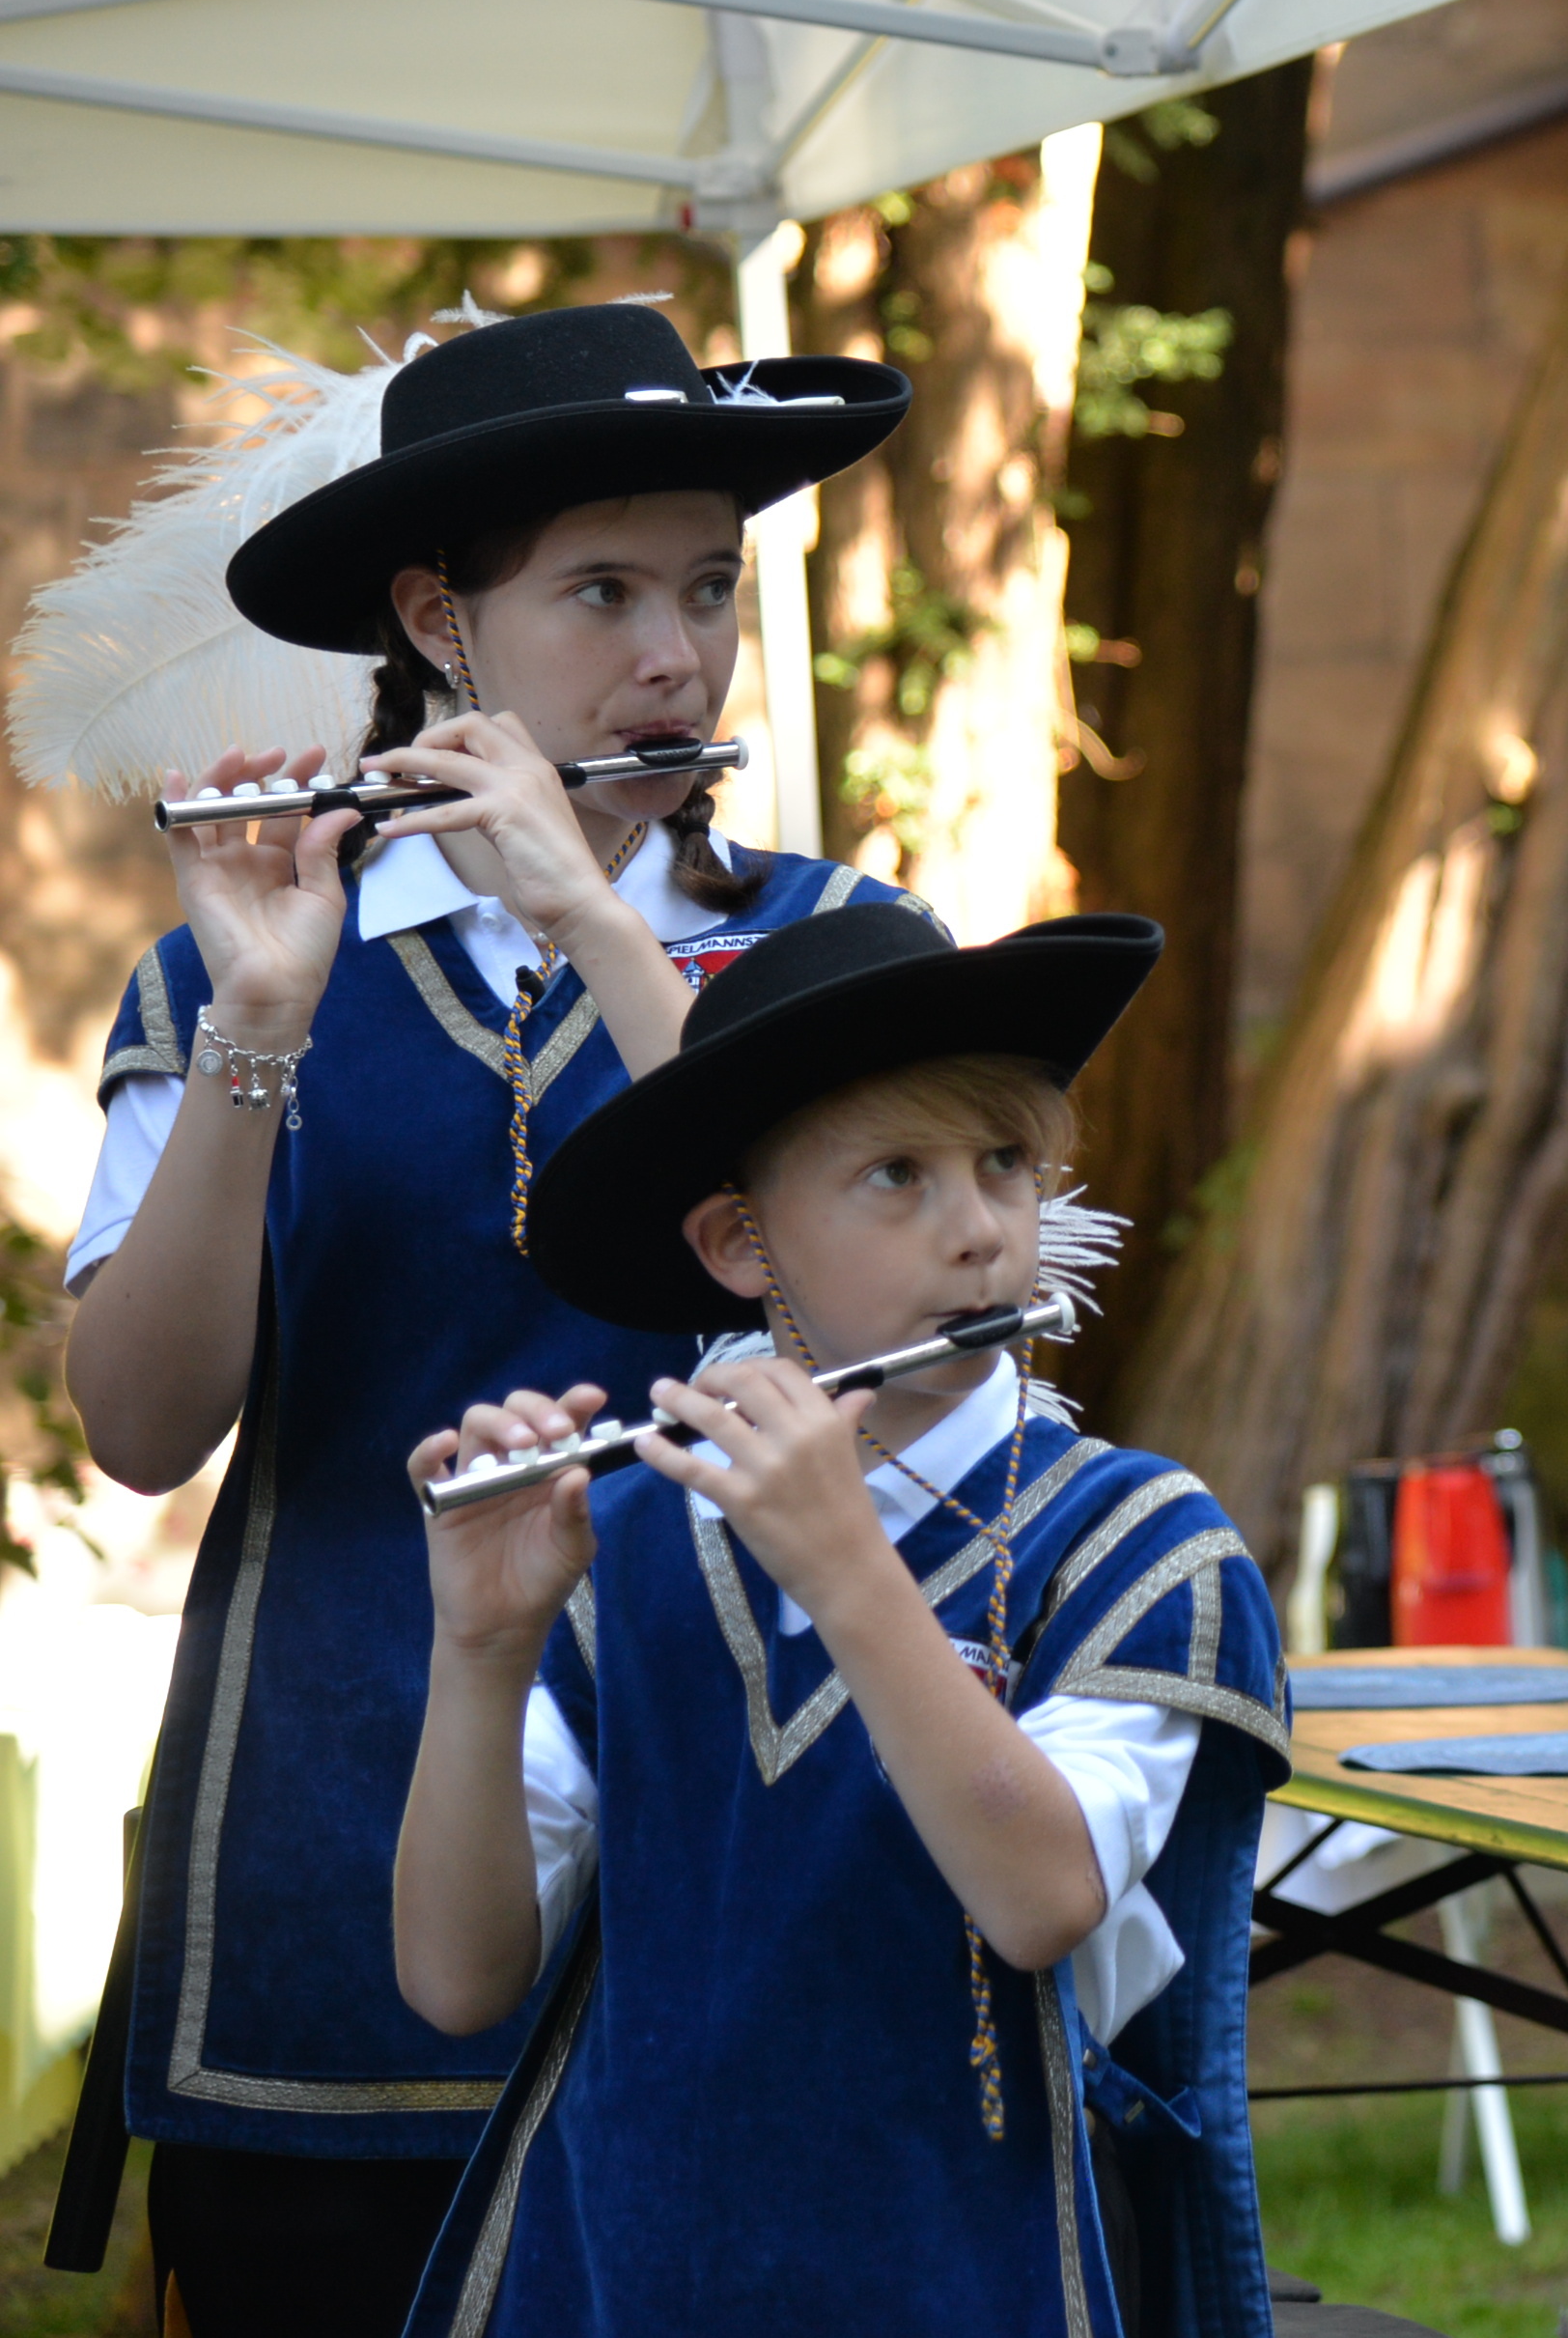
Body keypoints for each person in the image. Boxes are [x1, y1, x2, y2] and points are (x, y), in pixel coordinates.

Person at [30, 302, 910, 2333]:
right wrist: (263, 1019)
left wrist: (605, 922)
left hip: (750, 1797)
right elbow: (145, 1427)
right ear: (437, 619)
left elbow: (875, 1331)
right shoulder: (248, 961)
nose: (675, 652)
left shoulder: (845, 949)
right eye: (600, 592)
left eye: (709, 587)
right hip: (330, 1825)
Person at [395, 900, 1290, 2334]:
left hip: (966, 2277)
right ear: (741, 1246)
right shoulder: (619, 1541)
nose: (982, 1229)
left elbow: (1044, 1899)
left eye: (1006, 1163)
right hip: (608, 2276)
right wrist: (480, 1650)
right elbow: (453, 1979)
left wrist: (849, 1569)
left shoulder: (1136, 1536)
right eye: (897, 1175)